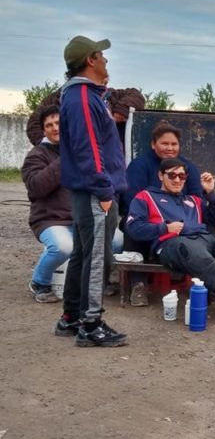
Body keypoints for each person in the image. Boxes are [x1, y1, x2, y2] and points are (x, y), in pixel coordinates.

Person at [126, 158, 215, 327]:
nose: (177, 180)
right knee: (203, 258)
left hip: (203, 238)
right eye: (171, 175)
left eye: (182, 176)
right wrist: (164, 228)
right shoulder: (146, 196)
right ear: (160, 176)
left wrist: (211, 193)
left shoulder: (193, 200)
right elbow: (133, 228)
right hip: (172, 244)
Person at [55, 35, 128, 346]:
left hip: (90, 190)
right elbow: (89, 150)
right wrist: (104, 190)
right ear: (90, 60)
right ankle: (90, 325)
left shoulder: (87, 96)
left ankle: (71, 317)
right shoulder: (83, 97)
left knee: (85, 254)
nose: (106, 60)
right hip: (94, 191)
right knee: (98, 256)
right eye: (102, 55)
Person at [123, 122, 204, 306]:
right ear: (153, 144)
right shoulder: (139, 165)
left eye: (174, 144)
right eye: (164, 144)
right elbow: (131, 198)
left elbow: (197, 199)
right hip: (147, 218)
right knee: (133, 228)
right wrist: (159, 224)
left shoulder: (188, 167)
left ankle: (205, 283)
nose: (169, 148)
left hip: (182, 222)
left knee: (208, 230)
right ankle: (138, 283)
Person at [21, 104, 72, 303]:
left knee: (117, 240)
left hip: (81, 218)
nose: (55, 128)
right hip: (49, 219)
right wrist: (64, 159)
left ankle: (96, 282)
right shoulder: (37, 155)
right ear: (44, 131)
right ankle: (39, 282)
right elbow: (36, 188)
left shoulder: (83, 151)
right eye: (49, 125)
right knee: (63, 247)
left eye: (59, 122)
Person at [27, 85, 145, 146]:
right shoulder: (56, 98)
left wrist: (121, 110)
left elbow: (136, 95)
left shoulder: (109, 95)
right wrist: (53, 147)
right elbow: (34, 124)